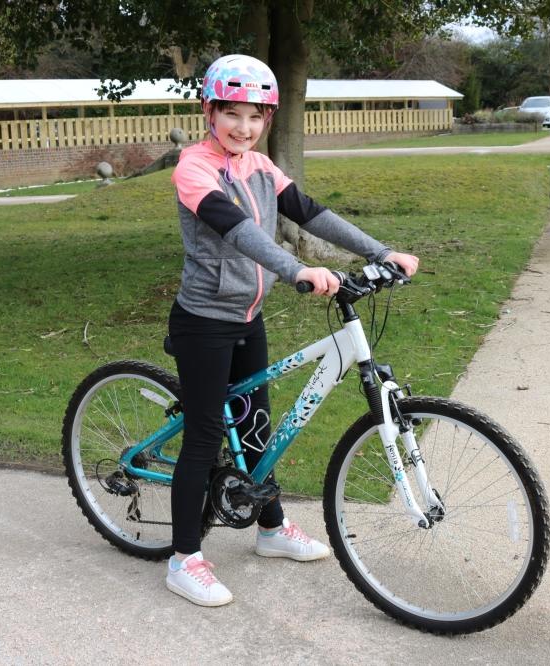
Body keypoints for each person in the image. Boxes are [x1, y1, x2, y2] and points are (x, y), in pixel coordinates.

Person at [166, 54, 419, 607]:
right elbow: (237, 232)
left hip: (246, 318)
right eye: (232, 113)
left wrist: (382, 252)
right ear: (210, 112)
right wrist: (296, 269)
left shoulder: (260, 167)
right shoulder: (194, 168)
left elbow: (310, 213)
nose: (244, 127)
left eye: (256, 116)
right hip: (203, 323)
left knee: (256, 425)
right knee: (207, 436)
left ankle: (271, 528)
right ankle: (184, 558)